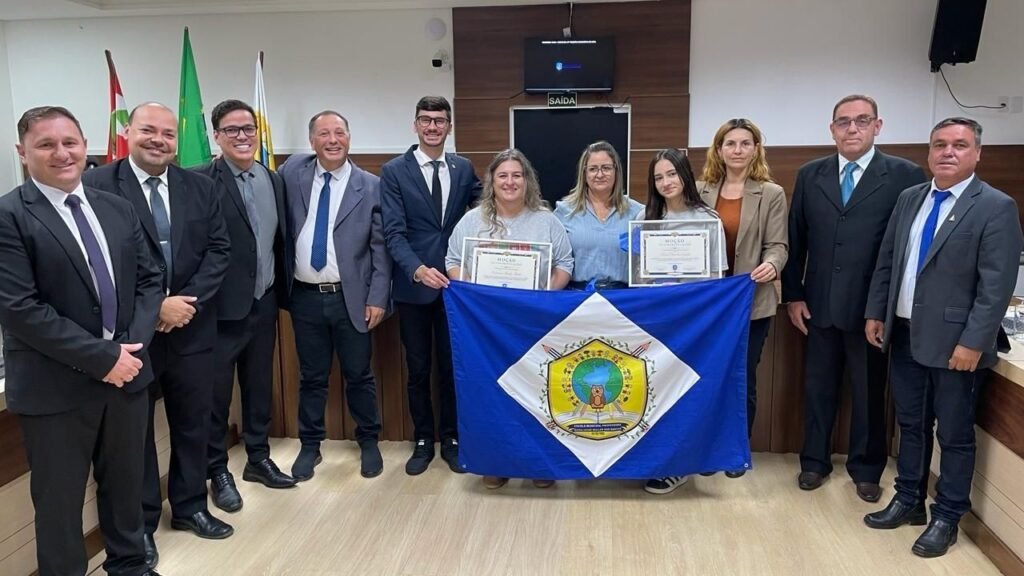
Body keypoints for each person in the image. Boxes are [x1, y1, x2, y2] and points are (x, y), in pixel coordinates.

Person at [0, 106, 164, 576]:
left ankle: (131, 566)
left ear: (84, 144)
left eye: (70, 142)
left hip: (126, 378)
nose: (61, 153)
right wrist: (104, 357)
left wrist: (129, 348)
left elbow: (152, 278)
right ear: (22, 152)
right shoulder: (9, 216)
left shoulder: (116, 207)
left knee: (126, 490)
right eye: (46, 144)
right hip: (55, 389)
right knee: (59, 506)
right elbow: (19, 308)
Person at [863, 117, 1022, 558]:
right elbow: (888, 261)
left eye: (959, 145)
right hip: (906, 334)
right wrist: (877, 311)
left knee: (953, 434)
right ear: (928, 152)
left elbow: (996, 286)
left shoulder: (995, 206)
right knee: (910, 424)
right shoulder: (911, 198)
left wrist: (975, 340)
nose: (947, 152)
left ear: (977, 154)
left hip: (957, 344)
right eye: (939, 144)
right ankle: (909, 498)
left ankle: (948, 516)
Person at [83, 102, 233, 568]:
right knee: (135, 434)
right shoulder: (95, 185)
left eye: (168, 133)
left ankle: (189, 507)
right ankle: (142, 523)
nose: (159, 140)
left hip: (191, 325)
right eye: (148, 130)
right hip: (131, 335)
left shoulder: (200, 185)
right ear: (127, 131)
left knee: (194, 421)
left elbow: (219, 250)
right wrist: (154, 310)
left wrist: (184, 304)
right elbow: (95, 261)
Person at [781, 95, 927, 502]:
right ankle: (813, 462)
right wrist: (793, 296)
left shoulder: (904, 175)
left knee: (868, 393)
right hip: (818, 305)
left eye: (862, 121)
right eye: (843, 122)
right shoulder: (811, 174)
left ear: (877, 126)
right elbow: (797, 238)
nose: (852, 129)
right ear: (831, 129)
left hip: (872, 310)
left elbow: (905, 249)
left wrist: (883, 308)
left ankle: (866, 469)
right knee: (817, 389)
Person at [445, 148, 573, 489]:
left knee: (537, 393)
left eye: (517, 175)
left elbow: (565, 264)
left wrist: (543, 294)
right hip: (487, 327)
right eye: (503, 175)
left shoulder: (547, 220)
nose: (510, 181)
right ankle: (495, 461)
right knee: (493, 393)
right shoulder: (472, 220)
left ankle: (539, 466)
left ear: (527, 180)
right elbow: (453, 260)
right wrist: (473, 295)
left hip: (534, 323)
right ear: (492, 181)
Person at [193, 99, 296, 514]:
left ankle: (257, 458)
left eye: (248, 129)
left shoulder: (273, 180)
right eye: (231, 129)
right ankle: (217, 470)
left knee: (258, 389)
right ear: (216, 136)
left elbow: (274, 242)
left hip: (263, 303)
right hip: (218, 312)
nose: (242, 136)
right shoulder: (199, 182)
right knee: (217, 397)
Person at [279, 110, 392, 482]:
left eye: (339, 133)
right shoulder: (291, 173)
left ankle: (369, 441)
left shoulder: (370, 185)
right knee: (311, 377)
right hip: (306, 298)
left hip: (353, 299)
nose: (332, 140)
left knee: (359, 375)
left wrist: (378, 297)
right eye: (323, 134)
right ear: (311, 141)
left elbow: (381, 249)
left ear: (349, 137)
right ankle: (310, 445)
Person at [381, 96, 481, 476]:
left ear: (449, 126)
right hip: (415, 288)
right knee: (419, 369)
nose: (433, 127)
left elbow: (485, 207)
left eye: (440, 120)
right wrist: (417, 269)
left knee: (453, 368)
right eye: (426, 120)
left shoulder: (464, 167)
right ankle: (423, 439)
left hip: (457, 291)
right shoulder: (394, 171)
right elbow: (392, 233)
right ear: (415, 126)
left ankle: (452, 439)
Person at [696, 119, 788, 477]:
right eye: (729, 143)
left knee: (742, 377)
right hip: (708, 307)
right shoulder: (701, 190)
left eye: (744, 143)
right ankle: (706, 445)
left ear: (755, 149)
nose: (737, 150)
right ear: (718, 149)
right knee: (707, 375)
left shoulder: (771, 193)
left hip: (751, 301)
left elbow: (778, 245)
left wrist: (772, 264)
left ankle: (735, 450)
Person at [641, 147, 728, 495]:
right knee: (657, 393)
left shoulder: (708, 219)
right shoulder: (650, 220)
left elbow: (719, 277)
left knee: (685, 392)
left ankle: (682, 464)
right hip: (658, 321)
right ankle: (656, 458)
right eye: (659, 177)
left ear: (685, 175)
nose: (666, 182)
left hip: (693, 323)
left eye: (671, 174)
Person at [554, 141, 644, 290]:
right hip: (577, 300)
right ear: (584, 173)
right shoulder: (563, 212)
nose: (600, 174)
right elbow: (554, 262)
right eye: (593, 169)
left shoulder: (637, 213)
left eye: (606, 168)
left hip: (623, 301)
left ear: (616, 171)